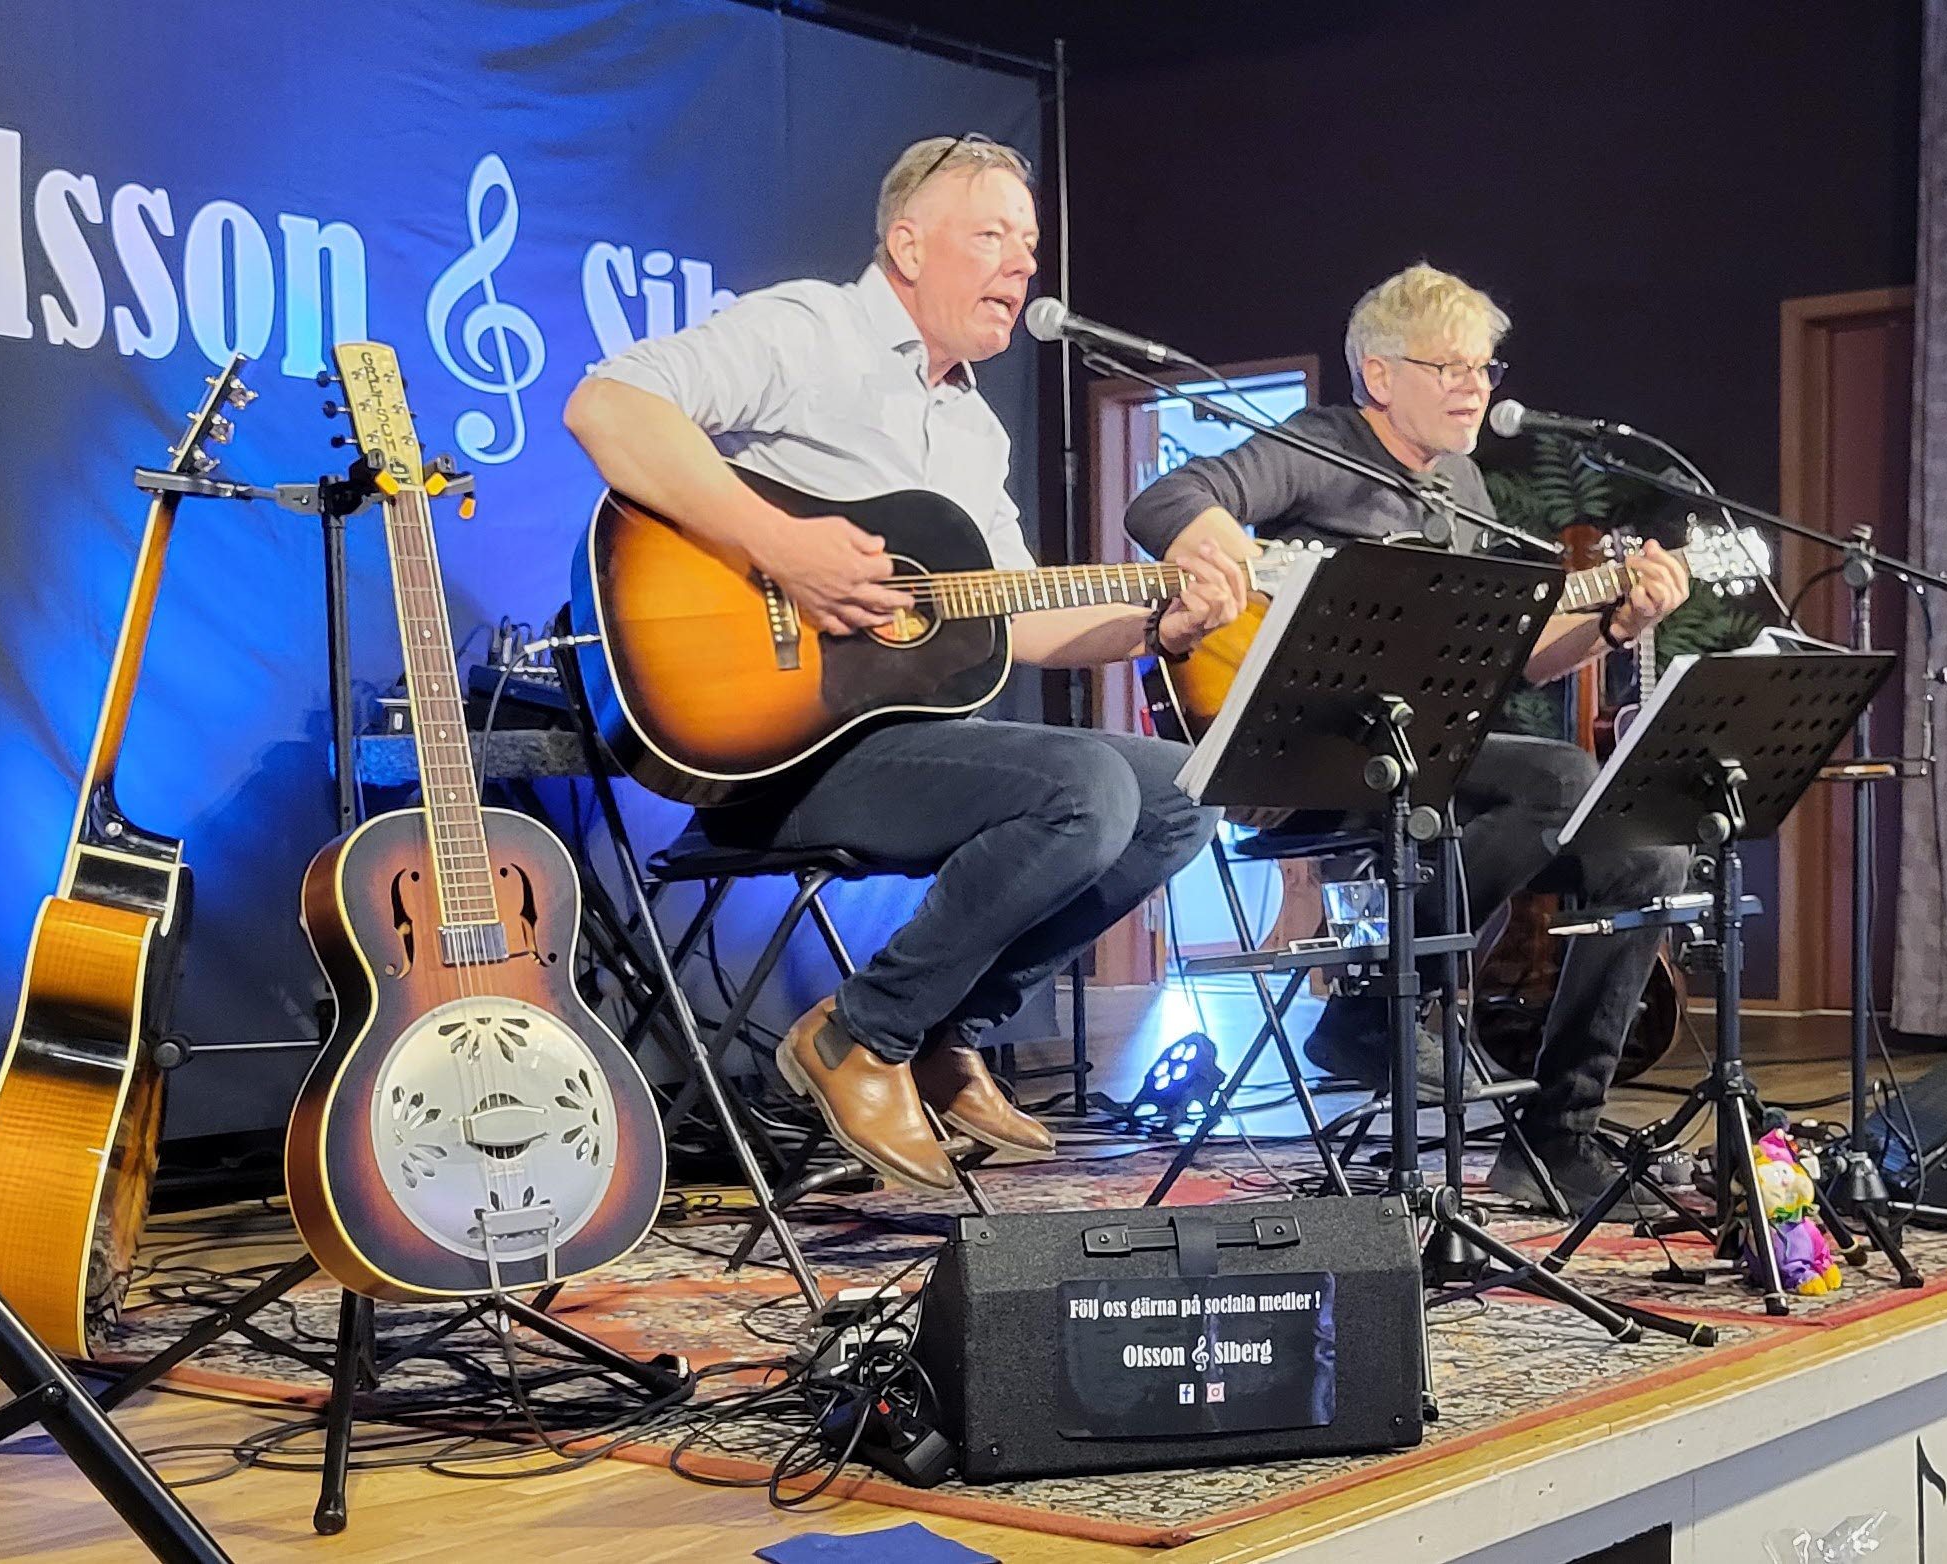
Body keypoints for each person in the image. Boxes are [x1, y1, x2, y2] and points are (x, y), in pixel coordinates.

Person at [564, 135, 1239, 1194]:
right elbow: (607, 406)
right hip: (778, 757)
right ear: (909, 246)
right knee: (1087, 786)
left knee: (1185, 790)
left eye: (1029, 243)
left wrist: (1163, 620)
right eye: (994, 235)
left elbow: (1020, 616)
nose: (1024, 263)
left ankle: (939, 1027)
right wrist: (778, 545)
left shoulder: (972, 428)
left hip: (909, 751)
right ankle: (858, 1034)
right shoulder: (808, 330)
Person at [1122, 263, 1692, 1218]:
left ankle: (1556, 1139)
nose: (1475, 388)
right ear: (1380, 376)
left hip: (1422, 756)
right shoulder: (1316, 448)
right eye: (1450, 367)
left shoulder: (1459, 484)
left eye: (1485, 369)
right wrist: (1247, 574)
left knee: (1649, 846)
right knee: (1557, 776)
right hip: (1298, 751)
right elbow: (1165, 501)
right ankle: (1369, 1003)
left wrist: (1611, 620)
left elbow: (1518, 658)